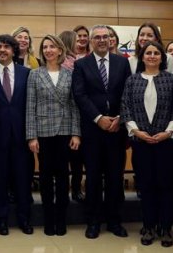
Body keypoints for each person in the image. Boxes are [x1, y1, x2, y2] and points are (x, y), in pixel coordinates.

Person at [72, 25, 131, 239]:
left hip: (117, 130)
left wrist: (119, 118)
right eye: (97, 37)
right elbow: (79, 95)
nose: (102, 40)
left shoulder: (122, 63)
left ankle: (115, 221)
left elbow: (128, 93)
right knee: (94, 178)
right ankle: (93, 221)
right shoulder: (81, 65)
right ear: (91, 41)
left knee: (116, 178)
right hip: (93, 131)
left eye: (105, 37)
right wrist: (98, 118)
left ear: (111, 40)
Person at [120, 41, 173, 247]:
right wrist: (136, 131)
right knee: (146, 186)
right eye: (148, 53)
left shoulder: (171, 80)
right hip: (141, 141)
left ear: (162, 58)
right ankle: (148, 226)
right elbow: (125, 107)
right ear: (142, 57)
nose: (152, 56)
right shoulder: (132, 80)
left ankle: (165, 227)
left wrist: (168, 132)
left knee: (166, 185)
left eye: (156, 53)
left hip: (166, 142)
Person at [27, 35, 81, 236]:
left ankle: (62, 219)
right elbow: (30, 106)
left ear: (60, 50)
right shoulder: (35, 74)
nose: (48, 50)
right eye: (45, 47)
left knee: (63, 178)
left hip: (65, 132)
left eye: (52, 47)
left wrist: (76, 133)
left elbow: (75, 106)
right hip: (43, 132)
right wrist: (31, 136)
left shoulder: (70, 74)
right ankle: (49, 219)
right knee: (46, 178)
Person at [0, 34, 33, 236]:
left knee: (23, 180)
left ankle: (24, 219)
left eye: (6, 46)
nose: (2, 50)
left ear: (14, 51)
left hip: (22, 137)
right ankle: (1, 220)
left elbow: (32, 106)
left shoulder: (27, 74)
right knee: (1, 181)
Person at [58, 30, 84, 203]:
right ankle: (74, 190)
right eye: (77, 41)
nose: (80, 43)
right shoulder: (66, 63)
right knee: (72, 159)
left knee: (75, 159)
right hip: (66, 116)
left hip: (78, 116)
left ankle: (74, 188)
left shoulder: (80, 60)